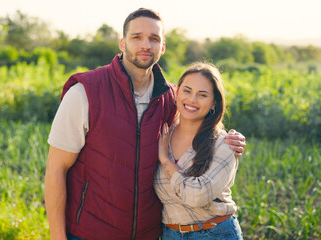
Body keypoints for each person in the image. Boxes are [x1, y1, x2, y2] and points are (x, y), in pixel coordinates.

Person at [44, 8, 246, 240]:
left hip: (148, 234)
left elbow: (198, 127)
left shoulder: (172, 98)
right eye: (136, 37)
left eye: (154, 39)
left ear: (162, 47)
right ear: (122, 43)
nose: (145, 45)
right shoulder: (85, 92)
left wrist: (231, 139)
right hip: (89, 232)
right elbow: (56, 170)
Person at [154, 62, 243, 239]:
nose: (192, 99)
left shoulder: (224, 145)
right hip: (170, 233)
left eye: (202, 95)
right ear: (177, 92)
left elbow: (196, 197)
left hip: (215, 233)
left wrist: (165, 160)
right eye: (187, 91)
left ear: (213, 103)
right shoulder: (162, 134)